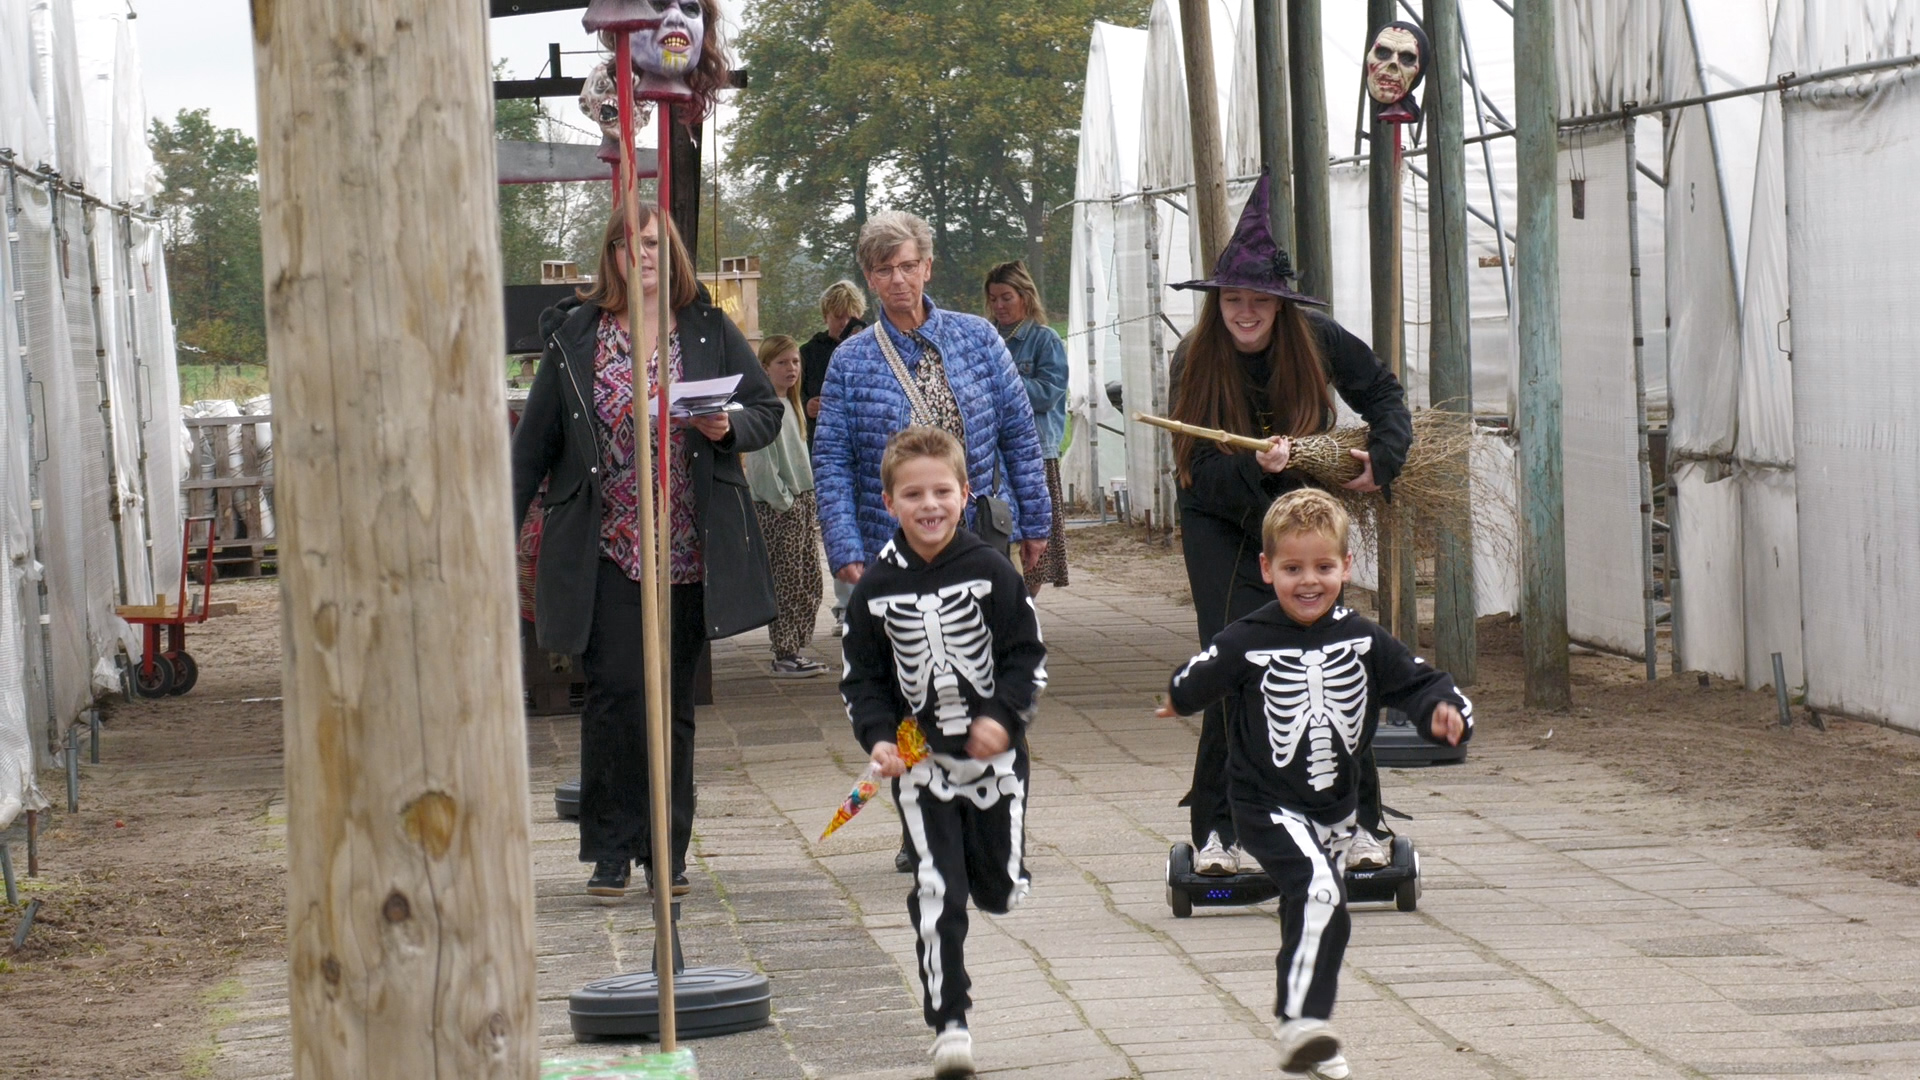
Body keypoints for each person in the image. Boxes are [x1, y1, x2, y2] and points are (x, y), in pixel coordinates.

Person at [512, 204, 783, 899]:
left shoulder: (709, 329)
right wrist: (496, 538)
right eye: (632, 245)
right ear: (612, 257)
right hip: (605, 548)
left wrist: (729, 428)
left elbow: (766, 410)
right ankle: (610, 846)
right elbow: (534, 446)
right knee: (615, 694)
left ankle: (667, 850)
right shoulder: (577, 335)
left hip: (689, 549)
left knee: (674, 705)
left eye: (659, 243)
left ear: (676, 254)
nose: (648, 255)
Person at [1159, 488, 1469, 1078]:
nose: (1309, 581)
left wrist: (1445, 710)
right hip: (1264, 804)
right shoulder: (1247, 638)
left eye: (1324, 567)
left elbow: (1418, 678)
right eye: (1293, 568)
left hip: (1335, 809)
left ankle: (1307, 1024)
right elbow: (1200, 674)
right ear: (1267, 569)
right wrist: (1177, 697)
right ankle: (1303, 1026)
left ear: (1346, 568)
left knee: (1324, 913)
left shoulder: (1363, 637)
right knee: (1322, 891)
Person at [1167, 173, 1413, 880]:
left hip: (1303, 522)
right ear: (1219, 303)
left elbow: (1384, 394)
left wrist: (1383, 459)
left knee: (1333, 657)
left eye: (1259, 301)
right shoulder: (1196, 357)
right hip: (1223, 521)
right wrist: (1264, 473)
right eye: (1233, 300)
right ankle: (1217, 832)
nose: (1245, 313)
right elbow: (1197, 472)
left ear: (1280, 303)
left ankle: (1360, 823)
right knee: (1235, 663)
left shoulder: (1317, 339)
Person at [814, 209, 1053, 874]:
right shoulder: (852, 359)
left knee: (994, 678)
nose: (897, 279)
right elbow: (830, 454)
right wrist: (844, 543)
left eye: (907, 264)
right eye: (882, 269)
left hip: (974, 534)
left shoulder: (978, 340)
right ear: (868, 276)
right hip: (891, 541)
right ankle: (922, 823)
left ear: (927, 266)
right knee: (912, 686)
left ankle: (1003, 828)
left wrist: (1037, 523)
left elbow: (1017, 435)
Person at [839, 427, 1047, 1080]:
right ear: (890, 501)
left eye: (941, 492)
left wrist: (1004, 718)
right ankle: (949, 1021)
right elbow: (862, 678)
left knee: (996, 891)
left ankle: (1007, 875)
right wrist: (878, 738)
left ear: (965, 494)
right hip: (920, 765)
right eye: (913, 494)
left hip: (994, 765)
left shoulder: (991, 570)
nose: (929, 506)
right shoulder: (874, 587)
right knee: (939, 891)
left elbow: (1026, 656)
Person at [745, 334, 829, 678]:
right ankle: (784, 651)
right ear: (765, 368)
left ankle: (795, 646)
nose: (791, 368)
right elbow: (761, 466)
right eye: (782, 362)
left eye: (795, 361)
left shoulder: (793, 406)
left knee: (810, 581)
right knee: (787, 583)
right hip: (782, 506)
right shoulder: (766, 410)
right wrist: (784, 502)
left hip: (802, 501)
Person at [985, 261, 1071, 594]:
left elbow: (1048, 394)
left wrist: (1003, 381)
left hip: (1035, 452)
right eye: (993, 299)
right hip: (992, 455)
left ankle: (1025, 612)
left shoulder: (1044, 339)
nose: (999, 306)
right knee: (998, 536)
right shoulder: (985, 337)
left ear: (1026, 296)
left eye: (1006, 297)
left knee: (1035, 548)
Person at [799, 280, 870, 637]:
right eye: (838, 317)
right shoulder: (810, 352)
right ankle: (845, 606)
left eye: (851, 317)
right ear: (826, 315)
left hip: (870, 453)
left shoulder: (874, 345)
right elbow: (794, 397)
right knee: (838, 527)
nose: (844, 325)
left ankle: (872, 600)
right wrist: (808, 405)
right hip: (830, 452)